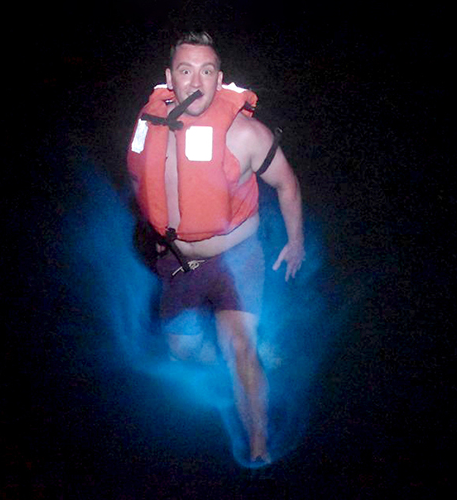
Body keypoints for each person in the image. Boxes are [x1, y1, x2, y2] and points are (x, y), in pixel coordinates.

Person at [127, 32, 305, 465]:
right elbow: (139, 181)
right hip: (177, 263)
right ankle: (231, 357)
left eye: (207, 71)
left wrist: (296, 243)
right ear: (170, 78)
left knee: (239, 347)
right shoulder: (150, 126)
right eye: (186, 71)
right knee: (181, 350)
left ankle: (258, 447)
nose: (196, 81)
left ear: (219, 78)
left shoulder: (244, 134)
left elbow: (286, 184)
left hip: (236, 259)